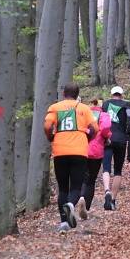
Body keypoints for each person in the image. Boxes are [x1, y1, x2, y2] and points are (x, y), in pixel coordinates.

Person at [44, 83, 98, 232]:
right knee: (75, 186)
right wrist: (87, 137)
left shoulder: (55, 107)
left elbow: (48, 126)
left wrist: (51, 137)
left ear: (64, 94)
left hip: (60, 151)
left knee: (62, 188)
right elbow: (95, 128)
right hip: (79, 151)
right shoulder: (84, 108)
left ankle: (64, 223)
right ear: (77, 94)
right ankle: (71, 205)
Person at [75, 98, 112, 220]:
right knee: (91, 180)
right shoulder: (104, 115)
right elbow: (106, 128)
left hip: (81, 148)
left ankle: (80, 197)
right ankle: (87, 207)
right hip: (96, 150)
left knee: (81, 177)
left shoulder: (84, 113)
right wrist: (106, 136)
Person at [101, 86, 130, 210]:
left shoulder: (106, 104)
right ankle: (113, 201)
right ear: (122, 94)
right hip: (120, 139)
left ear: (111, 93)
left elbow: (101, 120)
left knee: (106, 167)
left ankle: (107, 191)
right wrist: (129, 134)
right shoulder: (127, 105)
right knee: (118, 170)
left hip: (107, 139)